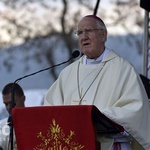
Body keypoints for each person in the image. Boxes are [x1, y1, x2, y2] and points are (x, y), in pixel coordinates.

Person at [43, 15, 150, 150]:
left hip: (109, 145)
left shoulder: (123, 69)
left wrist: (97, 116)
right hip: (72, 144)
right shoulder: (68, 73)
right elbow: (50, 109)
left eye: (88, 30)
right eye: (80, 32)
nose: (84, 36)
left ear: (103, 35)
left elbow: (136, 109)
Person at [0, 83, 25, 150]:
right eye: (6, 104)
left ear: (23, 98)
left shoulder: (36, 122)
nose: (8, 107)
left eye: (12, 103)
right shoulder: (1, 126)